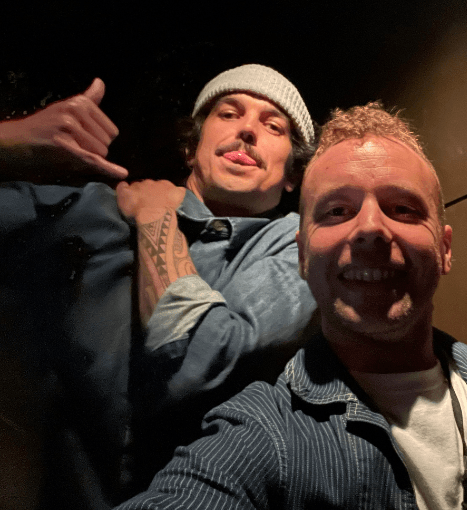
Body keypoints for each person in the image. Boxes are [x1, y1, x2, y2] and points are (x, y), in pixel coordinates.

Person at [115, 104, 467, 510]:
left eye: (402, 208)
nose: (369, 229)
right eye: (337, 210)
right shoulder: (259, 438)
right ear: (300, 251)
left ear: (446, 247)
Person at [0, 64, 317, 509]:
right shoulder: (93, 207)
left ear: (291, 176)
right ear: (191, 147)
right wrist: (12, 140)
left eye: (273, 126)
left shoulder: (296, 243)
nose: (248, 130)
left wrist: (155, 216)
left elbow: (196, 358)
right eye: (228, 114)